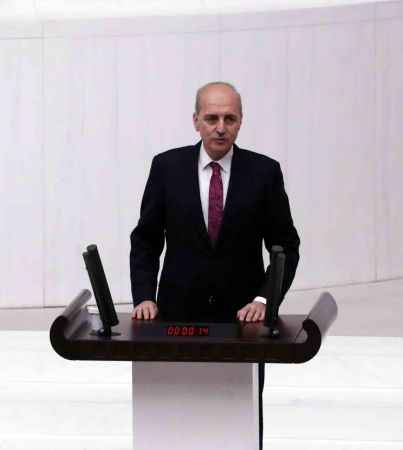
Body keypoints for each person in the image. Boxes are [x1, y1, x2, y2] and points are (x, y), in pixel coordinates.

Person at [130, 81, 300, 450]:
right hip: (176, 316)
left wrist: (264, 300)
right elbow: (145, 240)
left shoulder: (264, 172)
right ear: (196, 121)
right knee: (178, 418)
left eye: (229, 119)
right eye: (211, 118)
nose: (220, 127)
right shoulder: (166, 167)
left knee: (236, 420)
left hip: (242, 322)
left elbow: (286, 246)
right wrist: (144, 296)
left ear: (241, 122)